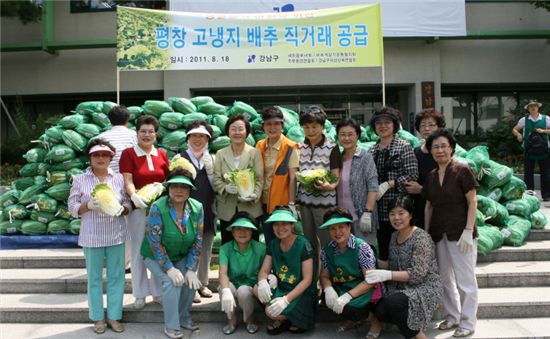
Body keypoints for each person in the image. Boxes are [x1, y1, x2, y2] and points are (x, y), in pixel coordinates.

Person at [68, 138, 131, 334]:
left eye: (105, 155)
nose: (101, 158)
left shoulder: (119, 178)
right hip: (92, 236)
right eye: (96, 155)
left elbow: (129, 201)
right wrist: (87, 206)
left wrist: (124, 209)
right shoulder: (79, 179)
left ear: (111, 158)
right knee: (94, 278)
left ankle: (114, 316)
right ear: (90, 158)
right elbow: (71, 207)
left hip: (116, 234)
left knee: (116, 277)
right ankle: (97, 318)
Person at [422, 129, 478, 338]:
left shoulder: (462, 170)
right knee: (445, 278)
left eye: (444, 145)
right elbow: (428, 206)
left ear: (452, 148)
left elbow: (472, 201)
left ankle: (468, 322)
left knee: (466, 280)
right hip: (438, 233)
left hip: (460, 232)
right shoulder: (431, 175)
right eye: (435, 147)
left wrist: (468, 230)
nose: (440, 150)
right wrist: (426, 234)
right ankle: (452, 316)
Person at [365, 196, 443, 339]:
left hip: (424, 286)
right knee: (380, 309)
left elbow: (417, 274)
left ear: (410, 215)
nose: (396, 218)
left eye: (401, 213)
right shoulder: (394, 236)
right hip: (400, 286)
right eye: (392, 214)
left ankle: (418, 336)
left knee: (392, 303)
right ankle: (410, 328)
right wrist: (371, 262)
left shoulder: (421, 237)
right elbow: (393, 265)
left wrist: (387, 275)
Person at [142, 168, 203, 339]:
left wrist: (191, 268)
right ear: (168, 189)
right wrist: (169, 268)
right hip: (155, 256)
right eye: (174, 186)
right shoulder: (157, 207)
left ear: (190, 190)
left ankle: (183, 317)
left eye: (184, 187)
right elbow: (154, 242)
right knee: (171, 282)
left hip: (182, 255)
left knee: (191, 282)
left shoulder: (197, 208)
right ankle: (171, 325)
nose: (178, 190)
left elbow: (198, 240)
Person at [120, 115, 169, 309]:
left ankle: (157, 292)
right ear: (137, 133)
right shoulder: (129, 153)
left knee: (158, 249)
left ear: (156, 135)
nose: (147, 135)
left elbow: (167, 180)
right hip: (139, 209)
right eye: (143, 131)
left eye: (151, 131)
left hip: (159, 209)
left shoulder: (161, 154)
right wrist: (134, 196)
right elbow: (128, 180)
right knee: (139, 250)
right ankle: (140, 293)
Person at [318, 207, 381, 337]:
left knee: (349, 307)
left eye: (341, 227)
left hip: (363, 289)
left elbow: (370, 280)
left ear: (349, 226)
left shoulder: (361, 247)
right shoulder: (326, 250)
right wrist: (328, 288)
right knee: (326, 298)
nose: (337, 232)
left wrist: (347, 296)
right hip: (342, 287)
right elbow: (324, 275)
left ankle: (374, 321)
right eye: (332, 228)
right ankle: (353, 320)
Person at [256, 206, 316, 334]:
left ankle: (285, 318)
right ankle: (285, 317)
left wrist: (286, 300)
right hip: (282, 287)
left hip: (300, 292)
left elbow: (307, 280)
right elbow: (264, 271)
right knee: (256, 289)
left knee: (271, 313)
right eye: (276, 224)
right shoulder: (273, 244)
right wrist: (262, 282)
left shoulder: (303, 244)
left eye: (284, 224)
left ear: (292, 224)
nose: (280, 228)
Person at [369, 107, 418, 264]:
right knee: (382, 249)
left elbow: (412, 176)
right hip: (379, 210)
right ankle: (384, 286)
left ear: (395, 125)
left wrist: (390, 184)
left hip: (399, 209)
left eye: (387, 122)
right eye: (378, 123)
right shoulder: (371, 150)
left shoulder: (404, 147)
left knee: (402, 247)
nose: (383, 126)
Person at [175, 121, 216, 302]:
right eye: (194, 136)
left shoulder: (213, 159)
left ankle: (202, 283)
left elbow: (218, 187)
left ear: (208, 139)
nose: (197, 139)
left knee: (205, 248)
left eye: (202, 136)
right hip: (186, 211)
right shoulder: (179, 159)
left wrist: (212, 172)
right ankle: (188, 286)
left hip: (208, 208)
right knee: (187, 249)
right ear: (188, 138)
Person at [296, 105, 341, 267]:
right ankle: (312, 281)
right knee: (309, 243)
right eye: (306, 127)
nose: (310, 130)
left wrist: (329, 186)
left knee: (327, 241)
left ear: (322, 126)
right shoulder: (299, 147)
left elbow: (336, 176)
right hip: (305, 203)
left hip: (325, 204)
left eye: (314, 126)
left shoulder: (332, 148)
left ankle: (329, 280)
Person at [97, 105, 138, 273]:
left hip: (106, 184)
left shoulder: (101, 137)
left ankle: (112, 260)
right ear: (128, 120)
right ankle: (125, 263)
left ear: (109, 120)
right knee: (128, 224)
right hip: (127, 184)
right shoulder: (134, 136)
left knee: (109, 224)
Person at [214, 114, 264, 245]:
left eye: (241, 129)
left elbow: (260, 179)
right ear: (228, 132)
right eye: (233, 129)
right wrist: (224, 188)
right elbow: (217, 178)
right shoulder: (220, 154)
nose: (237, 132)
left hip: (250, 208)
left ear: (247, 131)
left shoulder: (254, 153)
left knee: (252, 245)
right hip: (227, 209)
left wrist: (255, 195)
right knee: (228, 244)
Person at [256, 106, 299, 246]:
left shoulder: (291, 147)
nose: (272, 128)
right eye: (268, 124)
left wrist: (292, 204)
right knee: (270, 242)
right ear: (263, 126)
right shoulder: (260, 145)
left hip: (281, 205)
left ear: (282, 125)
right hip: (262, 203)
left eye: (276, 124)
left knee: (284, 243)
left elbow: (293, 177)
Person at [218, 212, 266, 335]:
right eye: (238, 229)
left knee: (244, 291)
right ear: (232, 231)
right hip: (233, 284)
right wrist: (226, 290)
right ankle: (231, 319)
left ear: (252, 231)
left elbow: (264, 271)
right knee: (223, 288)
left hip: (251, 289)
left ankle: (250, 318)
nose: (242, 232)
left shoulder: (261, 249)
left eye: (246, 229)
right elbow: (223, 273)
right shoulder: (225, 248)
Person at [336, 118, 378, 245]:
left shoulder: (365, 157)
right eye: (342, 135)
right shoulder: (337, 159)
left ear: (358, 136)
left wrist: (368, 212)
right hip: (342, 218)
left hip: (362, 217)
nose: (346, 138)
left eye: (350, 134)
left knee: (364, 255)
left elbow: (373, 185)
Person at [405, 108, 446, 228]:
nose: (427, 129)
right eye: (423, 125)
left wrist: (422, 189)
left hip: (439, 208)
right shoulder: (415, 152)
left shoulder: (443, 154)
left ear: (439, 127)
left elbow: (448, 185)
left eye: (431, 125)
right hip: (418, 208)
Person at [512, 99, 550, 201]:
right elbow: (514, 129)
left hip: (544, 149)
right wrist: (518, 134)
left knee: (545, 173)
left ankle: (546, 195)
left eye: (535, 106)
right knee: (528, 173)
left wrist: (544, 131)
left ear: (538, 107)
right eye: (531, 106)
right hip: (529, 150)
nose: (533, 108)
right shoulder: (524, 120)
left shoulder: (546, 119)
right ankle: (529, 194)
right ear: (528, 109)